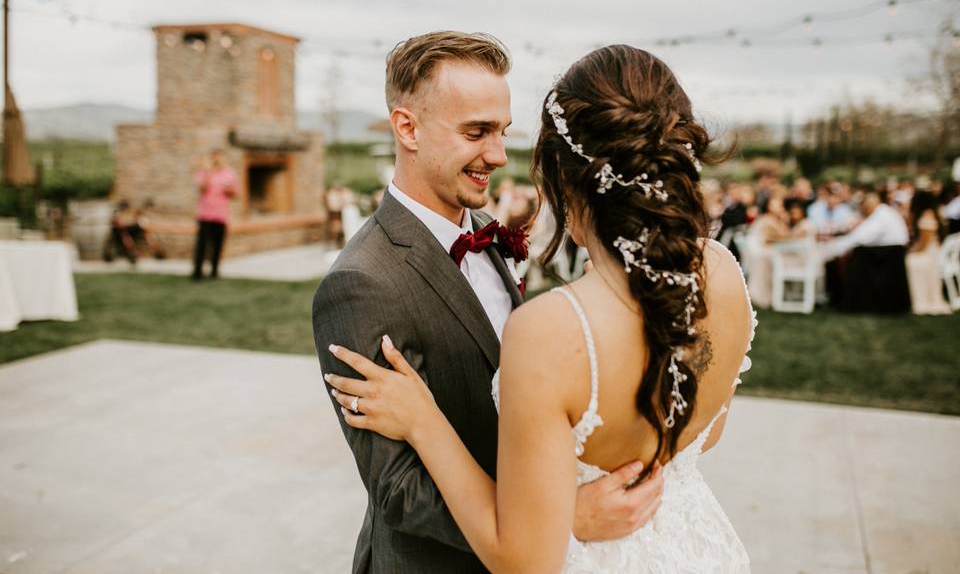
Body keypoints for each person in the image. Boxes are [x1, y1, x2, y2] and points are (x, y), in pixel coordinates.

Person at [323, 45, 755, 572]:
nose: (500, 154)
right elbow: (396, 489)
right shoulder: (359, 280)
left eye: (503, 131)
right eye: (477, 132)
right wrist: (566, 511)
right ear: (408, 129)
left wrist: (555, 511)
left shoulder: (525, 283)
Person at [191, 148, 237, 280]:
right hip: (205, 215)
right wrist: (209, 172)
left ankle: (214, 272)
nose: (217, 160)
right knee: (202, 245)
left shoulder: (229, 173)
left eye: (220, 157)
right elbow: (202, 188)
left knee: (218, 245)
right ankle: (197, 272)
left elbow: (234, 194)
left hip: (221, 215)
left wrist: (230, 190)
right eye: (215, 157)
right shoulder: (203, 172)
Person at [906, 191, 952, 315]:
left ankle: (922, 301)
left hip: (929, 254)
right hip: (932, 252)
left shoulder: (927, 215)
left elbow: (923, 244)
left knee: (910, 261)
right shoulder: (933, 213)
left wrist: (910, 251)